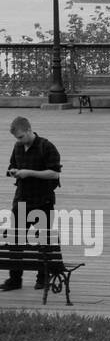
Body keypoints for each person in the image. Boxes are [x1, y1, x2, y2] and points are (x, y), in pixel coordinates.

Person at [2, 117, 64, 292]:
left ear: (29, 130)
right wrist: (13, 172)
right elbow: (12, 166)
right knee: (14, 240)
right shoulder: (17, 147)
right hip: (21, 199)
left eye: (21, 137)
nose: (19, 141)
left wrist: (29, 173)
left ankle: (43, 278)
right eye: (17, 138)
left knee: (43, 241)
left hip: (43, 201)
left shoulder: (46, 146)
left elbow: (54, 174)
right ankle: (15, 279)